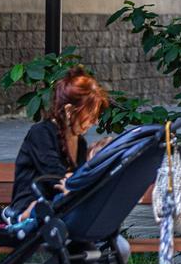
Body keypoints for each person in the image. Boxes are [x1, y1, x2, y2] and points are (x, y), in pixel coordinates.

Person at [7, 67, 110, 221]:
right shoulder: (41, 133)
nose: (95, 121)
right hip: (30, 209)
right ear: (69, 111)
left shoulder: (80, 142)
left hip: (61, 210)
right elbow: (55, 179)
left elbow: (72, 183)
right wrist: (75, 181)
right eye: (91, 115)